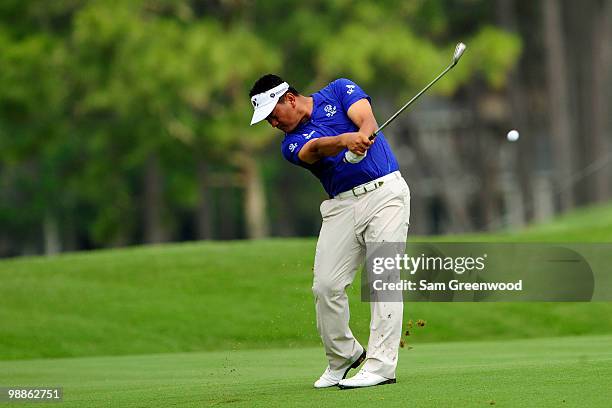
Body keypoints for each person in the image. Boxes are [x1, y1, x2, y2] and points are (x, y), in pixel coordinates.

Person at [249, 74, 410, 389]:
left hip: (386, 194)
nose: (272, 123)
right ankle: (344, 355)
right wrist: (346, 141)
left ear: (290, 99)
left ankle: (381, 367)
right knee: (326, 286)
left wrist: (363, 135)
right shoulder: (289, 144)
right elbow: (315, 149)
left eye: (273, 114)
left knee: (383, 278)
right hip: (341, 207)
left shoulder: (338, 89)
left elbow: (365, 117)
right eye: (267, 120)